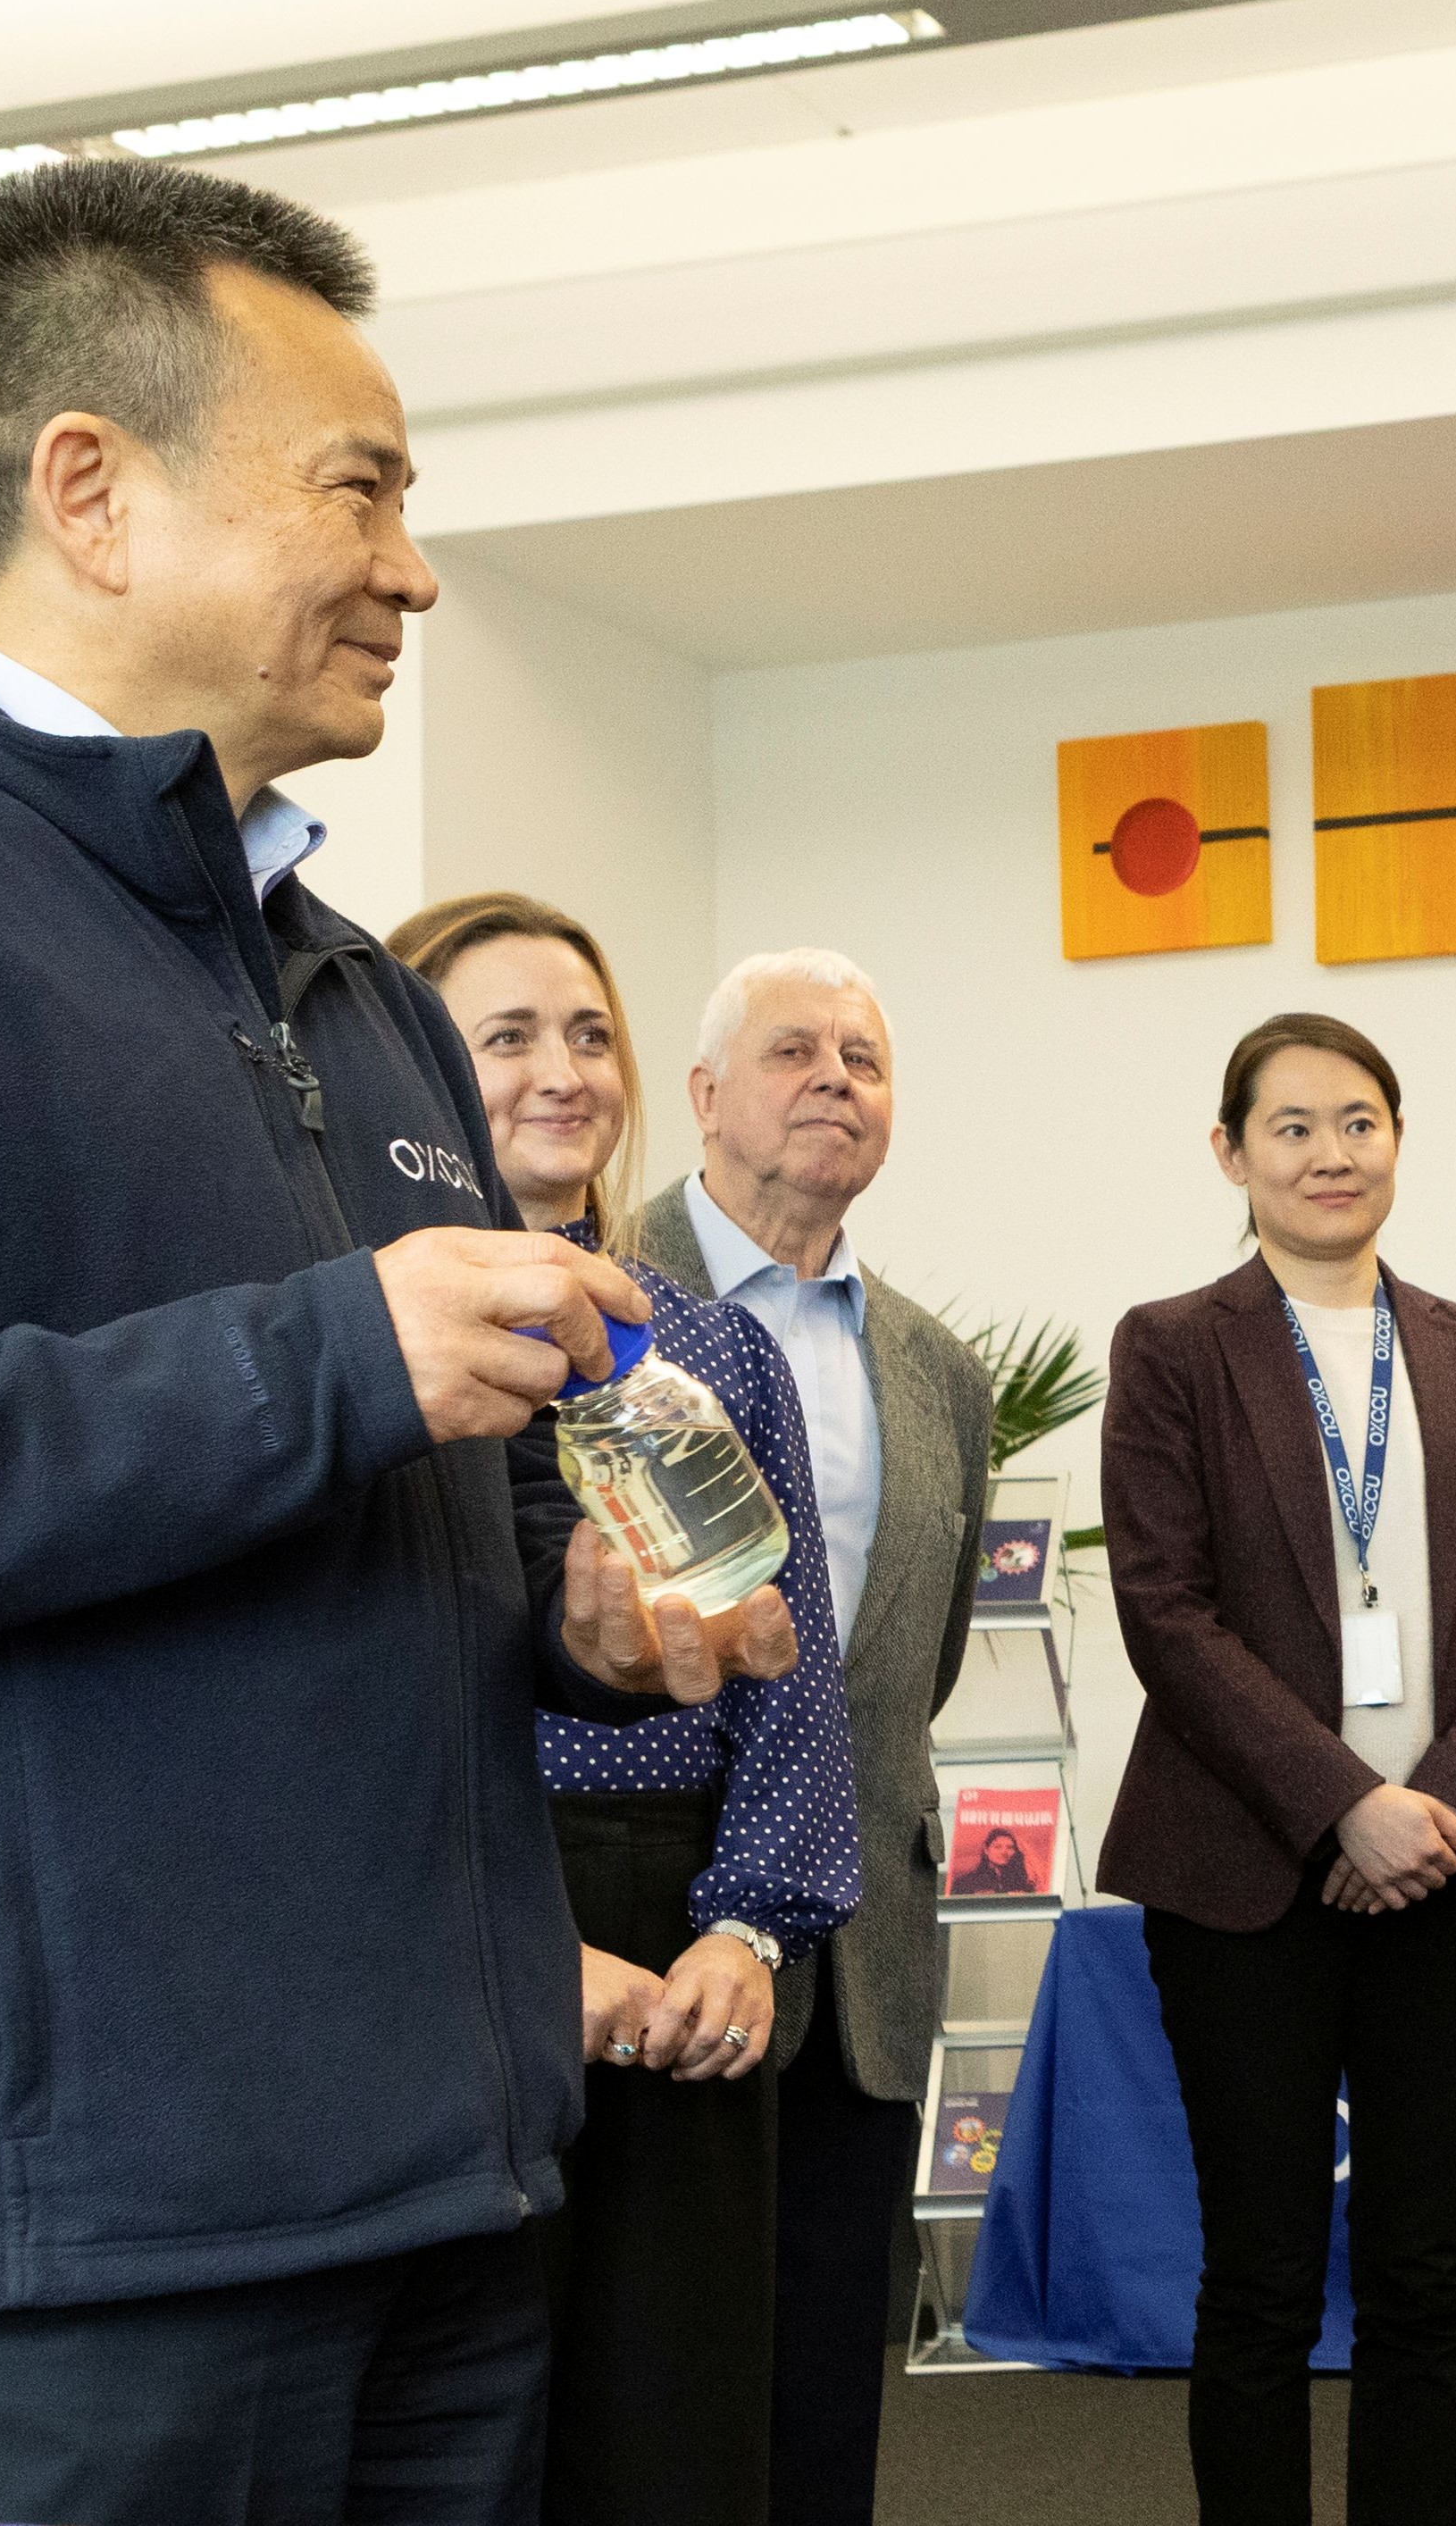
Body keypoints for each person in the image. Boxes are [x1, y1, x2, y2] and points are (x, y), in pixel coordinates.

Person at [0, 159, 794, 2526]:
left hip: (442, 2206)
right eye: (363, 490)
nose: (414, 566)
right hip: (48, 2268)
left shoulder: (369, 995)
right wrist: (329, 1359)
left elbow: (423, 1504)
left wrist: (591, 1625)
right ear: (87, 489)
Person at [393, 892, 865, 2526]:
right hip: (439, 1928)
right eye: (505, 1034)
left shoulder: (715, 1348)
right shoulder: (361, 1351)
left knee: (677, 2423)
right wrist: (523, 1944)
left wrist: (749, 1930)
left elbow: (792, 1676)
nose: (560, 1070)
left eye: (588, 1033)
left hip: (684, 1942)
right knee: (469, 2434)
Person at [1094, 1014, 1456, 2526]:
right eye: (1292, 1126)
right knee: (1260, 2274)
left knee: (1431, 2279)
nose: (1330, 1153)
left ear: (1396, 1141)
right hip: (1247, 1876)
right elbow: (1165, 1613)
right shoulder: (1173, 1345)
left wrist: (1440, 1804)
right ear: (1232, 1153)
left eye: (1357, 1120)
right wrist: (1344, 1806)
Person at [618, 947, 994, 2526]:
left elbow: (925, 1653)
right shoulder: (595, 1296)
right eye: (794, 1052)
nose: (836, 1078)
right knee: (650, 2384)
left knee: (830, 2380)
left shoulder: (938, 1369)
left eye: (866, 1057)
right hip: (640, 1923)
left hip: (865, 1950)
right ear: (704, 1098)